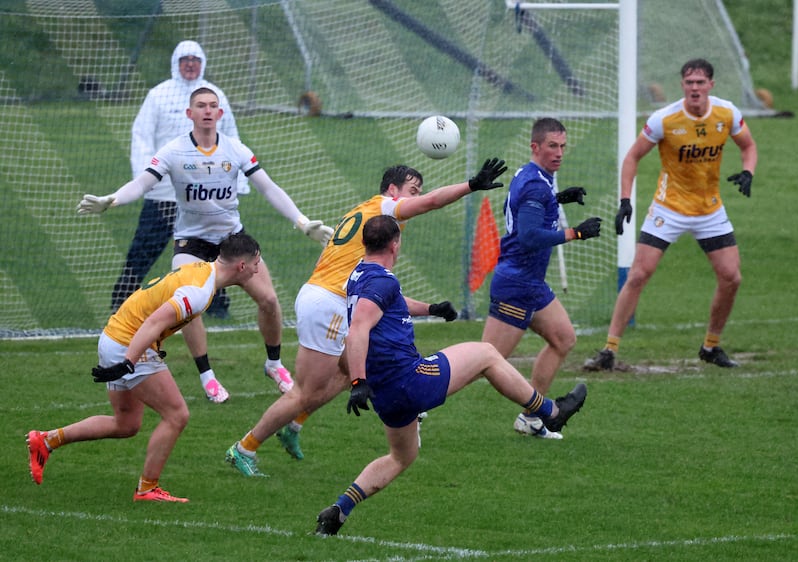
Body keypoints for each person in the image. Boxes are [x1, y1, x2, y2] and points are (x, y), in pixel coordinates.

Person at [223, 158, 508, 471]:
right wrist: (471, 185)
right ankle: (244, 449)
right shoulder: (386, 208)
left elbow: (381, 294)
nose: (416, 197)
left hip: (329, 299)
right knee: (303, 392)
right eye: (412, 190)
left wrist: (431, 309)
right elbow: (433, 202)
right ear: (391, 190)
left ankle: (294, 425)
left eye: (417, 191)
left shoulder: (370, 216)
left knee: (350, 370)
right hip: (328, 303)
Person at [314, 215, 587, 536]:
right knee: (486, 354)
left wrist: (432, 308)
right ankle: (549, 413)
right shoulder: (383, 281)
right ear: (395, 243)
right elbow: (358, 329)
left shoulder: (359, 274)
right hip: (410, 379)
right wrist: (357, 382)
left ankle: (338, 511)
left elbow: (391, 303)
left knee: (401, 457)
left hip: (386, 392)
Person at [77, 87, 333, 404]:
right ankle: (208, 376)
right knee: (189, 308)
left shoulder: (236, 149)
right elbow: (142, 183)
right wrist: (112, 200)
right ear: (190, 113)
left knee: (269, 300)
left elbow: (269, 187)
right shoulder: (173, 150)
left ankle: (274, 364)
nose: (208, 110)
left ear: (220, 113)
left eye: (213, 105)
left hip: (232, 239)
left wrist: (301, 221)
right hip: (191, 243)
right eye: (201, 105)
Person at [26, 232, 263, 503]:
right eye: (256, 263)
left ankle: (46, 441)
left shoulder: (201, 273)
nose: (258, 269)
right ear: (241, 266)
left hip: (114, 336)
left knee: (126, 423)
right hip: (128, 343)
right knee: (177, 414)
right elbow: (153, 322)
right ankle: (147, 489)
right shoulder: (199, 291)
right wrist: (128, 361)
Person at [584, 58, 757, 371]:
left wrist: (748, 171)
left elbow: (748, 146)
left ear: (711, 85)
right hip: (669, 209)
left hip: (710, 210)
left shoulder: (727, 113)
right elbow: (633, 157)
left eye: (700, 82)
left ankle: (710, 346)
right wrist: (625, 200)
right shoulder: (665, 119)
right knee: (638, 274)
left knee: (731, 277)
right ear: (682, 85)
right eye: (689, 82)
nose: (694, 88)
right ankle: (609, 350)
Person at [481, 117, 602, 439]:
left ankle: (531, 419)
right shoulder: (537, 184)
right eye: (552, 146)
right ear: (535, 146)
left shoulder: (533, 176)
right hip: (517, 283)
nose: (559, 152)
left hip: (531, 283)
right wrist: (576, 232)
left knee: (563, 339)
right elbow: (530, 237)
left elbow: (521, 207)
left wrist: (558, 199)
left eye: (563, 146)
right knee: (482, 360)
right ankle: (417, 402)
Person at [112, 40, 245, 319]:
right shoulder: (159, 95)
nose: (190, 65)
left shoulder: (215, 95)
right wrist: (144, 177)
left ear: (202, 63)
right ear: (176, 62)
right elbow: (142, 136)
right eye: (185, 59)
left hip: (205, 194)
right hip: (163, 192)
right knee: (146, 244)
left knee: (213, 247)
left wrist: (238, 182)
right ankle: (122, 296)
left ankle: (216, 303)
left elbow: (232, 138)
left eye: (195, 60)